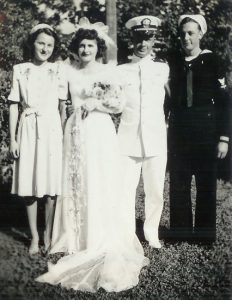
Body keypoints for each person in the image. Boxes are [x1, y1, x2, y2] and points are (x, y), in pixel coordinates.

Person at [36, 18, 148, 292]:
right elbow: (62, 103)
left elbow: (118, 105)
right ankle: (75, 236)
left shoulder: (108, 71)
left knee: (97, 179)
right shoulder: (68, 70)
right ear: (76, 47)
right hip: (75, 131)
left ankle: (97, 235)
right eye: (82, 45)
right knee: (76, 181)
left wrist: (94, 102)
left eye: (90, 45)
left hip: (99, 131)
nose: (86, 50)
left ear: (98, 48)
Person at [167, 14, 230, 243]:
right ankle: (180, 232)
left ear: (201, 34)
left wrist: (224, 137)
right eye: (183, 33)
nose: (186, 38)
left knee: (206, 186)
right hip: (179, 133)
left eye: (191, 33)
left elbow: (224, 102)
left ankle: (204, 236)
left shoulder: (212, 61)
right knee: (179, 184)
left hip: (206, 132)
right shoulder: (172, 60)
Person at [8, 24, 67, 255]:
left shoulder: (59, 69)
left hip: (52, 129)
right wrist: (13, 140)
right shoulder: (20, 69)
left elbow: (62, 107)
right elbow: (13, 105)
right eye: (41, 43)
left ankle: (48, 234)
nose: (45, 48)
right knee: (30, 185)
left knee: (51, 187)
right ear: (32, 43)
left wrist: (62, 136)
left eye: (50, 45)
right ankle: (34, 237)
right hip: (29, 128)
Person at [117, 16, 169, 248]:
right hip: (128, 138)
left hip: (156, 137)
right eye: (139, 38)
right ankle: (127, 233)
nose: (143, 43)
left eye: (147, 38)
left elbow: (173, 99)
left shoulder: (163, 69)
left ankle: (152, 233)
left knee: (155, 189)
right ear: (132, 39)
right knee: (126, 190)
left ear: (154, 39)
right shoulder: (121, 70)